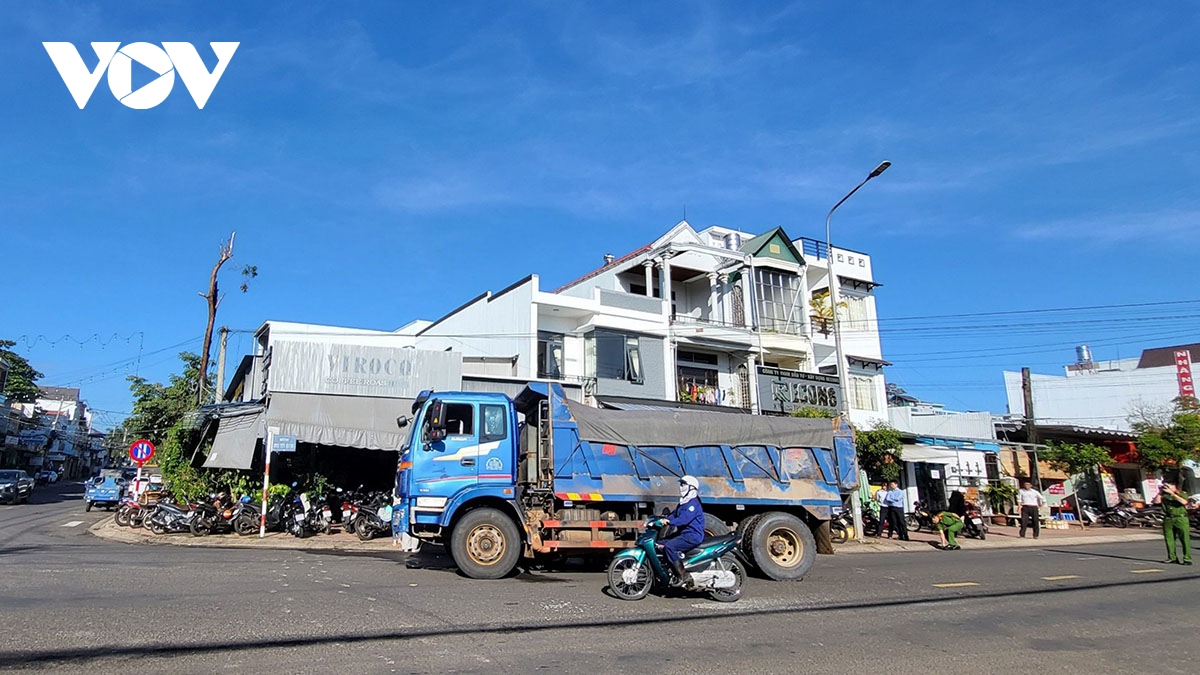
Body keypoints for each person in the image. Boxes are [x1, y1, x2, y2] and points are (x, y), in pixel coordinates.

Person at [657, 475, 706, 584]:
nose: (681, 487)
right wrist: (664, 519)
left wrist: (670, 522)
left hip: (693, 535)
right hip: (683, 534)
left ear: (691, 488)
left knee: (670, 546)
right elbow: (674, 515)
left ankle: (682, 575)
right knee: (660, 543)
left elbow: (684, 519)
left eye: (683, 484)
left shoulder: (693, 503)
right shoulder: (684, 502)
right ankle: (668, 571)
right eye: (681, 484)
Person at [1153, 480, 1192, 566]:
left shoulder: (1182, 493)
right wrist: (1160, 492)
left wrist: (1172, 494)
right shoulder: (1164, 496)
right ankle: (1172, 557)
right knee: (1169, 539)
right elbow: (1156, 502)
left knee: (1184, 539)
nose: (1166, 488)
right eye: (1164, 486)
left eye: (1168, 486)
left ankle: (1187, 558)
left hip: (1181, 518)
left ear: (1174, 486)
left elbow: (1184, 502)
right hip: (1168, 518)